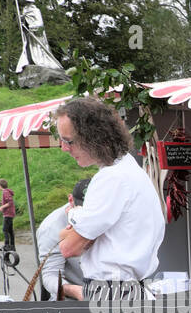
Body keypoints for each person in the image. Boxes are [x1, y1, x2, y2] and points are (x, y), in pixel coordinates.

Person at [55, 97, 164, 300]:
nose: (64, 148)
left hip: (113, 294)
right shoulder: (128, 168)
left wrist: (75, 217)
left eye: (68, 141)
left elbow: (67, 247)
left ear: (93, 137)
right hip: (125, 290)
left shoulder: (111, 178)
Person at [35, 179, 90, 300]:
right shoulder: (51, 227)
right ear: (71, 200)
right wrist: (75, 291)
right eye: (84, 210)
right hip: (73, 301)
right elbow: (50, 275)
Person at [0, 179, 16, 251]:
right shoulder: (7, 191)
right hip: (10, 213)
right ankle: (12, 246)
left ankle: (6, 245)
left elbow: (10, 202)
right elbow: (7, 201)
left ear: (0, 186)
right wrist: (0, 203)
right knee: (10, 230)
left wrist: (1, 207)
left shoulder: (5, 192)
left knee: (5, 230)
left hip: (8, 213)